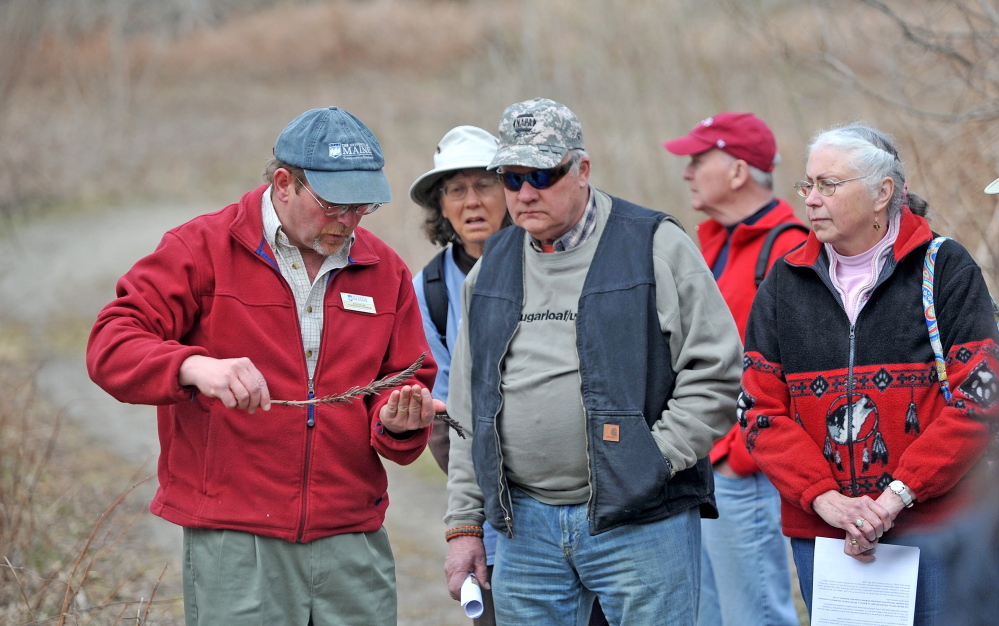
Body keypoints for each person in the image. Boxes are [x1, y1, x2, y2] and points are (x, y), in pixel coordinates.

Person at [86, 106, 442, 626]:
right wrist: (195, 367)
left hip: (353, 541)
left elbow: (407, 380)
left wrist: (397, 421)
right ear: (283, 183)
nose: (349, 220)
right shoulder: (202, 248)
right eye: (333, 204)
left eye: (363, 206)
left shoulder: (383, 270)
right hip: (237, 540)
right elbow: (110, 344)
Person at [443, 97, 743, 625]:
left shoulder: (654, 244)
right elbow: (469, 410)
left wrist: (651, 461)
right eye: (511, 179)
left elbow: (716, 372)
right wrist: (464, 526)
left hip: (643, 522)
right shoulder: (490, 268)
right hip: (524, 526)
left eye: (542, 172)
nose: (526, 192)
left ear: (582, 169)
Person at [740, 122, 999, 624]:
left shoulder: (944, 269)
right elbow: (758, 409)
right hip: (826, 538)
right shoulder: (783, 282)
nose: (811, 200)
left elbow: (980, 398)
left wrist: (895, 496)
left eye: (829, 185)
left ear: (883, 193)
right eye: (808, 185)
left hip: (937, 528)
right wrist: (825, 498)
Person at [663, 112, 804, 626]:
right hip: (701, 469)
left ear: (739, 171)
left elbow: (802, 369)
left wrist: (742, 455)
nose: (688, 171)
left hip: (745, 472)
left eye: (699, 159)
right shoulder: (713, 245)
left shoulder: (791, 250)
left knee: (757, 614)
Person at [409, 125, 511, 625]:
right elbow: (443, 412)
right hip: (488, 504)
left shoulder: (552, 261)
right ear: (441, 206)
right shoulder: (428, 288)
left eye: (485, 185)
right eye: (456, 189)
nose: (472, 201)